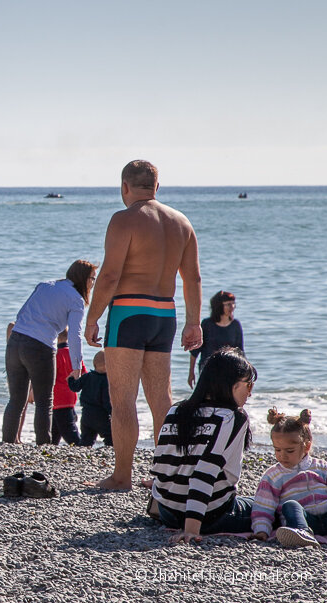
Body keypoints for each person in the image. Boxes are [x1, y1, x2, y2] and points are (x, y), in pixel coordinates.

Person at [84, 160, 203, 489]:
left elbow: (109, 275)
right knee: (161, 399)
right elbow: (192, 277)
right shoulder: (182, 222)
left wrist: (92, 317)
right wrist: (194, 323)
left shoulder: (124, 220)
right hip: (165, 314)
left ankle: (122, 476)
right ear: (156, 186)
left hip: (128, 312)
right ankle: (164, 475)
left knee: (122, 400)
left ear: (124, 187)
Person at [149, 347, 256, 543]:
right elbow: (205, 472)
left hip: (167, 512)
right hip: (208, 515)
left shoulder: (176, 411)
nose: (250, 393)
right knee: (272, 507)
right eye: (248, 385)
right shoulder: (231, 417)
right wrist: (192, 529)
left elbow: (161, 465)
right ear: (229, 384)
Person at [3, 260, 97, 445]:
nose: (94, 283)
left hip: (15, 342)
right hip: (40, 346)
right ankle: (43, 447)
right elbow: (75, 335)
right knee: (44, 401)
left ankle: (7, 445)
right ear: (84, 279)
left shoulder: (45, 285)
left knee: (16, 399)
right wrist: (76, 366)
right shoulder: (76, 299)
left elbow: (21, 314)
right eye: (93, 279)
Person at [251, 408, 327, 548]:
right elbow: (263, 507)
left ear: (307, 446)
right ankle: (302, 533)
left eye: (289, 451)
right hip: (304, 520)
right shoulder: (273, 475)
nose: (282, 455)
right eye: (277, 450)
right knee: (290, 505)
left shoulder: (322, 467)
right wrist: (261, 530)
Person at [188, 291, 244, 388]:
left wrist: (244, 374)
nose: (232, 307)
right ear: (219, 306)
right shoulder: (207, 324)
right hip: (208, 369)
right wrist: (191, 373)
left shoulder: (235, 325)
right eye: (228, 304)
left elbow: (240, 351)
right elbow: (195, 351)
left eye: (233, 304)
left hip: (229, 369)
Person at [68, 351, 112, 447]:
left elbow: (74, 387)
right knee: (110, 437)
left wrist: (70, 379)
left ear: (94, 365)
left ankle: (83, 451)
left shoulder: (87, 376)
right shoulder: (107, 381)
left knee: (86, 439)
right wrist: (113, 412)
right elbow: (106, 401)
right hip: (101, 416)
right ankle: (110, 450)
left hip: (86, 415)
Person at [50, 329, 84, 446]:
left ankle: (80, 445)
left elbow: (51, 377)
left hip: (58, 397)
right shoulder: (73, 354)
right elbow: (83, 373)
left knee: (68, 429)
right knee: (56, 425)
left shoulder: (55, 355)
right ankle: (51, 444)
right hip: (70, 395)